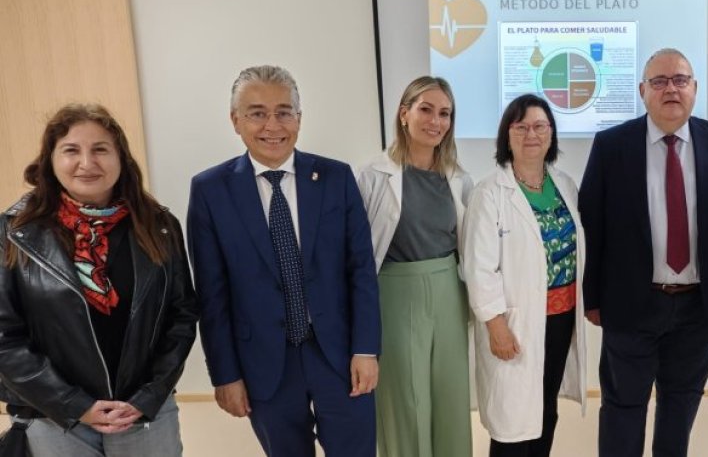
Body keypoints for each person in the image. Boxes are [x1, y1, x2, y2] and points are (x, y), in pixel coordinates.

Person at [187, 65, 380, 457]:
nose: (272, 125)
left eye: (284, 111)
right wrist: (226, 374)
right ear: (235, 121)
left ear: (299, 118)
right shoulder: (210, 190)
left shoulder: (335, 177)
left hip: (339, 355)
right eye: (257, 113)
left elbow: (360, 271)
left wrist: (366, 349)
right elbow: (212, 295)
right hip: (264, 364)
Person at [0, 104, 198, 456]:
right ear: (50, 160)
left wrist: (149, 395)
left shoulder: (160, 225)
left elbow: (181, 317)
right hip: (54, 417)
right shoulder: (13, 232)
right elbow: (4, 337)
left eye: (100, 149)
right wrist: (74, 404)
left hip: (141, 414)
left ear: (121, 158)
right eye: (71, 150)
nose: (87, 163)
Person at [579, 48, 708, 457]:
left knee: (680, 405)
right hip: (631, 304)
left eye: (680, 80)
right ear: (642, 90)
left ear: (694, 88)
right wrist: (594, 297)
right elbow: (592, 223)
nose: (670, 89)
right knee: (623, 408)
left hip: (698, 307)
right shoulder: (611, 144)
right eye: (659, 81)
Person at [463, 94, 586, 457]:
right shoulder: (490, 193)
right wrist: (495, 324)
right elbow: (479, 267)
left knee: (546, 409)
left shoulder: (564, 184)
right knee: (512, 420)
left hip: (560, 318)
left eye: (540, 126)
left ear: (551, 134)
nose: (531, 134)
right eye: (521, 127)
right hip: (514, 323)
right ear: (507, 136)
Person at [356, 76, 473, 457]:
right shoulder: (373, 175)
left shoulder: (458, 179)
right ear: (404, 114)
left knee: (450, 399)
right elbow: (357, 253)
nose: (435, 121)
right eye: (426, 109)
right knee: (406, 401)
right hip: (395, 293)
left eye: (445, 113)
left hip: (448, 294)